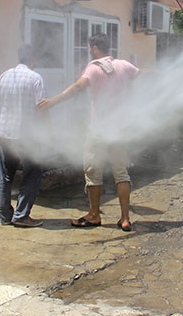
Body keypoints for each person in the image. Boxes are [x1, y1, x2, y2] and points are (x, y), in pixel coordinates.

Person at [38, 33, 139, 232]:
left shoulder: (94, 68)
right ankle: (125, 218)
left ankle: (94, 215)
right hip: (119, 129)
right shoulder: (124, 65)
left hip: (99, 130)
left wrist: (52, 103)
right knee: (121, 173)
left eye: (90, 48)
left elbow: (77, 87)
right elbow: (144, 75)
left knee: (93, 172)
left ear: (94, 47)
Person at [0, 43, 46, 228]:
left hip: (4, 133)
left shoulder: (4, 76)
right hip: (27, 137)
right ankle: (21, 216)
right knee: (33, 173)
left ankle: (5, 217)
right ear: (33, 59)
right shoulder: (35, 78)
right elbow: (42, 108)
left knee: (4, 175)